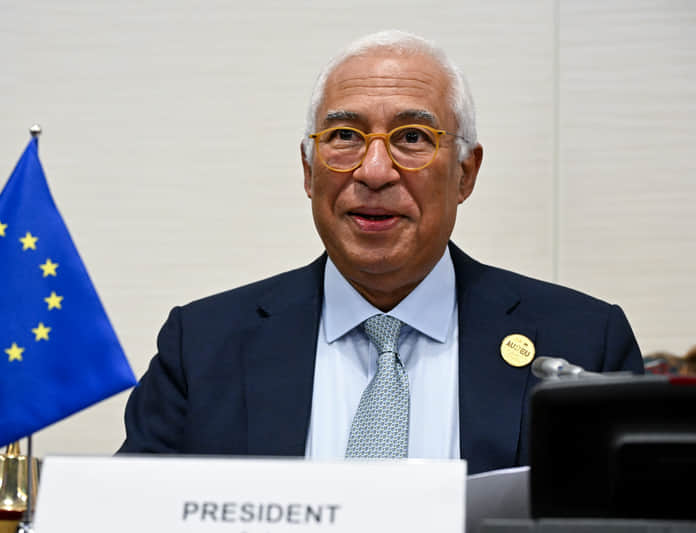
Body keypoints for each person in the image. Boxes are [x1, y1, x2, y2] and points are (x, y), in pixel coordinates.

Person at [118, 30, 643, 475]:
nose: (373, 171)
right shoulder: (203, 347)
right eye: (345, 135)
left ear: (465, 173)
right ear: (308, 170)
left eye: (412, 137)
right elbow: (130, 512)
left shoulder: (583, 344)